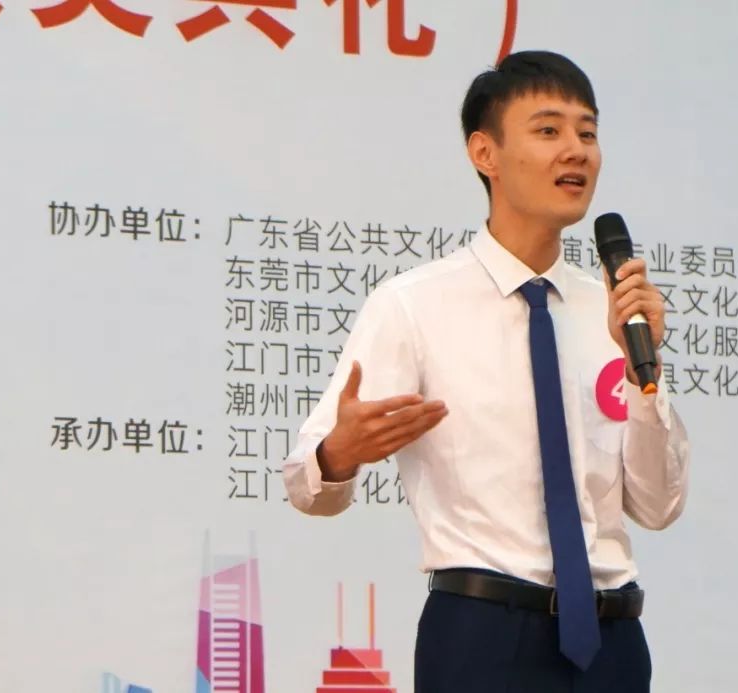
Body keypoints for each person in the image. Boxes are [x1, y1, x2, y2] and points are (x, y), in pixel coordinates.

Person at [282, 50, 690, 693]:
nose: (576, 151)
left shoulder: (610, 311)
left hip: (613, 643)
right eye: (549, 130)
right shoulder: (414, 305)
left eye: (588, 133)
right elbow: (308, 488)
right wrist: (340, 452)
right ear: (485, 153)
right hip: (482, 638)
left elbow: (658, 504)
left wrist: (647, 378)